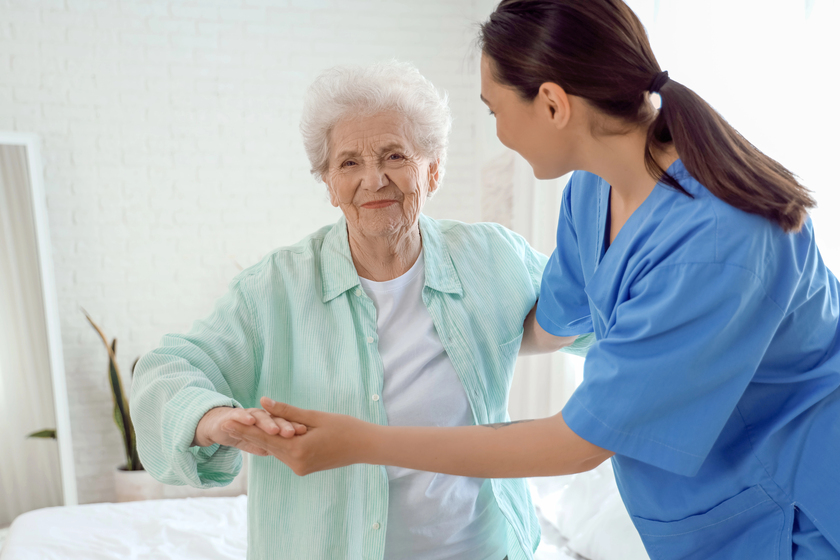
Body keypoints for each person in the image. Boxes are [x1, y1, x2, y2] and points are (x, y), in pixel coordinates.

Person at [221, 2, 840, 559]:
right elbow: (543, 324)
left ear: (551, 103)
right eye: (349, 164)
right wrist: (416, 316)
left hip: (794, 508)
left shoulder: (716, 244)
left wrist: (362, 441)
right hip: (708, 511)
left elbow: (574, 446)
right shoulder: (593, 191)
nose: (496, 132)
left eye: (494, 110)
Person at [130, 60, 591, 560]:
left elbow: (597, 318)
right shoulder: (272, 289)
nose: (373, 180)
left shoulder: (493, 257)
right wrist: (213, 418)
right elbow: (166, 372)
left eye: (394, 155)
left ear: (432, 170)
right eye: (349, 163)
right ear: (328, 183)